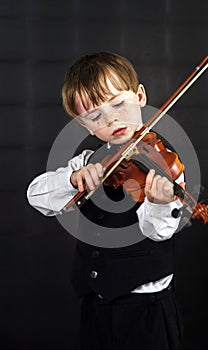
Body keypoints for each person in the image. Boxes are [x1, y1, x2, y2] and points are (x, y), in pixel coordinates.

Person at [27, 52, 185, 350]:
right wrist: (72, 180)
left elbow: (158, 232)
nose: (112, 118)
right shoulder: (86, 162)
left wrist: (159, 202)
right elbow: (36, 195)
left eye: (118, 104)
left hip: (146, 311)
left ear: (139, 96)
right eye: (95, 116)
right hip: (95, 304)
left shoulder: (163, 164)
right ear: (84, 126)